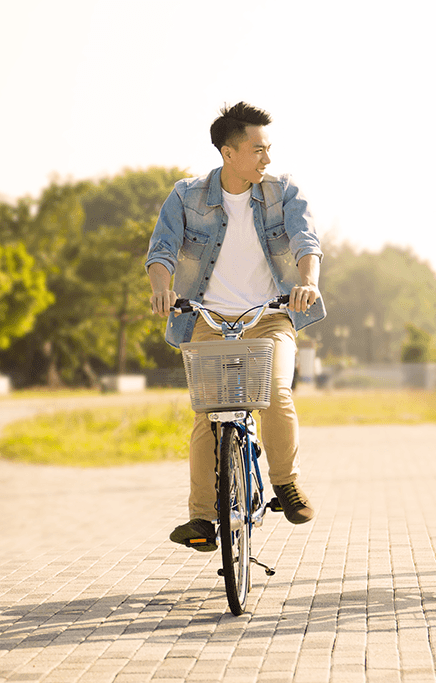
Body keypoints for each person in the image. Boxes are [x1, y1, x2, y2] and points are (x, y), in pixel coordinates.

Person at [146, 102, 325, 552]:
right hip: (209, 319)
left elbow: (306, 240)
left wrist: (307, 283)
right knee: (208, 415)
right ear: (229, 153)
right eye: (258, 150)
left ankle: (286, 484)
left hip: (269, 318)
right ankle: (203, 518)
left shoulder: (282, 193)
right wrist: (162, 290)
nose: (267, 159)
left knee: (275, 394)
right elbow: (162, 249)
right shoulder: (187, 196)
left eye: (268, 150)